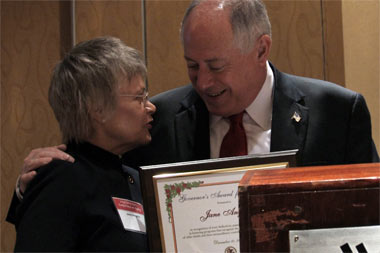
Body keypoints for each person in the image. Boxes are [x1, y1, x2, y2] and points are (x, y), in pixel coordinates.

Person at [8, 0, 379, 223]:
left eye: (216, 66)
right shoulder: (160, 118)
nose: (203, 83)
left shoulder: (337, 112)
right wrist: (30, 186)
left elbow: (371, 214)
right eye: (192, 65)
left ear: (261, 49)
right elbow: (93, 190)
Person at [12, 36, 156, 252]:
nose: (151, 106)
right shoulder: (62, 178)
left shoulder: (134, 178)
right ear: (97, 108)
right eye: (139, 97)